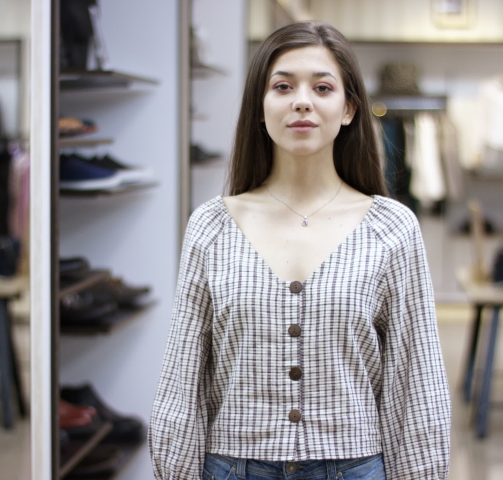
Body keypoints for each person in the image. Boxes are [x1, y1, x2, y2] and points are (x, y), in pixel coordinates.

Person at [149, 22, 451, 480]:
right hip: (234, 467)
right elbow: (182, 378)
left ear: (349, 108)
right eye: (283, 86)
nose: (302, 101)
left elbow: (415, 381)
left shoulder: (392, 228)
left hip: (354, 467)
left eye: (323, 87)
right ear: (261, 106)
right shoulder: (212, 226)